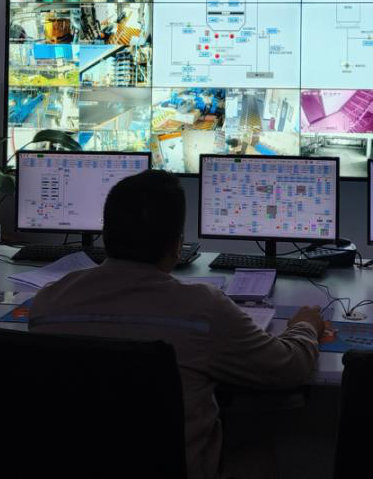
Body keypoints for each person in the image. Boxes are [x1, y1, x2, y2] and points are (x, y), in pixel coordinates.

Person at [28, 169, 325, 479]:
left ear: (105, 234)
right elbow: (290, 368)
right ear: (176, 246)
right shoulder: (203, 310)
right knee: (261, 458)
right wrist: (305, 325)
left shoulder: (48, 302)